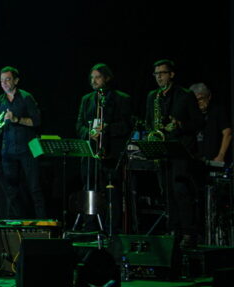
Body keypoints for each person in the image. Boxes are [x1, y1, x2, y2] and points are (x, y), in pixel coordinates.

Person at [144, 60, 202, 245]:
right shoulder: (152, 96)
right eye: (156, 74)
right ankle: (173, 230)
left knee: (180, 191)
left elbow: (199, 122)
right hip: (162, 150)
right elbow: (149, 122)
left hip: (181, 151)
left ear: (172, 74)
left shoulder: (185, 95)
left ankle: (188, 232)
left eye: (162, 73)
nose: (158, 77)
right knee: (167, 192)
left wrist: (180, 125)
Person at [75, 64, 134, 232]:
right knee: (90, 189)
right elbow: (79, 125)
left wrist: (107, 128)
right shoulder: (87, 99)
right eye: (92, 78)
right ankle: (90, 226)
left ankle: (111, 228)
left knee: (112, 192)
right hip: (91, 154)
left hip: (112, 155)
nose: (93, 81)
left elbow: (127, 126)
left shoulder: (122, 99)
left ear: (107, 78)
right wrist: (89, 133)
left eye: (98, 77)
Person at [0, 66, 46, 218]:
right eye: (2, 81)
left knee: (34, 188)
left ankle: (43, 223)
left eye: (7, 80)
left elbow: (36, 121)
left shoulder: (26, 97)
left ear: (16, 80)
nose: (4, 83)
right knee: (11, 190)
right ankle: (15, 224)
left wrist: (16, 119)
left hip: (28, 149)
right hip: (8, 150)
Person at [190, 83, 232, 171]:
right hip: (197, 161)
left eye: (201, 99)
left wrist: (221, 155)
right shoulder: (193, 114)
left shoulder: (218, 111)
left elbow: (227, 133)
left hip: (215, 160)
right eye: (195, 100)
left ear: (209, 96)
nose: (198, 102)